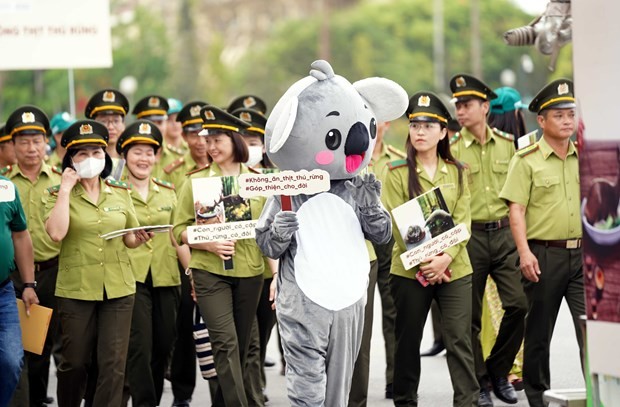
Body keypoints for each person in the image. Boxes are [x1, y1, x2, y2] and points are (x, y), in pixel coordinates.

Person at [44, 119, 152, 407]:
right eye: (82, 153)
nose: (90, 159)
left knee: (113, 365)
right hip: (76, 290)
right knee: (75, 362)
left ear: (105, 156)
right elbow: (56, 233)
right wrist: (66, 189)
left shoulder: (120, 191)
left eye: (96, 152)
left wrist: (138, 238)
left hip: (118, 288)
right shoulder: (57, 195)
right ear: (70, 159)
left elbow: (129, 237)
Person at [383, 91, 477, 406]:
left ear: (443, 132)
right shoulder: (396, 172)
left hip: (456, 267)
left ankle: (467, 401)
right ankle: (405, 400)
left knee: (459, 339)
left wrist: (446, 257)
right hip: (411, 271)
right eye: (414, 125)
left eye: (427, 125)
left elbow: (464, 221)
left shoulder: (459, 171)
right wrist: (428, 262)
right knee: (407, 341)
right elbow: (398, 224)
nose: (419, 132)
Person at [173, 105, 268, 406]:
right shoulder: (196, 181)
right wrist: (208, 242)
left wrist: (277, 274)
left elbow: (269, 228)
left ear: (235, 140)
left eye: (217, 140)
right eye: (207, 140)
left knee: (240, 348)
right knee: (224, 345)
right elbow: (178, 230)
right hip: (209, 272)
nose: (209, 146)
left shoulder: (257, 180)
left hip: (250, 271)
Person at [499, 79, 584, 407]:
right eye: (559, 115)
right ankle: (537, 398)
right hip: (543, 256)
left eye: (571, 114)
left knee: (590, 331)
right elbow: (515, 210)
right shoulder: (527, 159)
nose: (566, 121)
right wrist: (523, 253)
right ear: (542, 120)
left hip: (582, 257)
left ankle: (600, 393)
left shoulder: (583, 155)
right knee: (537, 336)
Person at [449, 74, 527, 407]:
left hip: (505, 235)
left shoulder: (508, 145)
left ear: (485, 107)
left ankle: (498, 370)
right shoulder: (451, 149)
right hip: (471, 237)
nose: (460, 111)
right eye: (457, 105)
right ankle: (481, 383)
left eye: (466, 105)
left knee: (519, 305)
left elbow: (520, 197)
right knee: (471, 318)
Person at [115, 120, 181, 406]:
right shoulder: (114, 191)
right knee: (139, 346)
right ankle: (145, 403)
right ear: (125, 156)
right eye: (137, 152)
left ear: (156, 157)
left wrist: (190, 273)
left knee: (164, 343)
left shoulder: (168, 191)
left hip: (166, 276)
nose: (143, 159)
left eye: (149, 152)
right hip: (132, 276)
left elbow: (179, 235)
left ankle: (150, 398)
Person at [3, 106, 62, 406]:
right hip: (13, 276)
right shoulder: (3, 184)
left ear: (46, 143)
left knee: (50, 346)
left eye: (37, 140)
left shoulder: (62, 180)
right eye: (23, 141)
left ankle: (39, 399)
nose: (31, 148)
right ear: (12, 145)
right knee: (20, 348)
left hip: (55, 271)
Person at [349, 120, 402, 404]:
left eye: (377, 120)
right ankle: (358, 392)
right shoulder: (351, 158)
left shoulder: (398, 159)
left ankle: (395, 379)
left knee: (394, 312)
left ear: (386, 124)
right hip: (363, 242)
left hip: (392, 239)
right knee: (362, 318)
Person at [231, 104, 279, 405]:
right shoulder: (231, 178)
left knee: (263, 330)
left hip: (270, 268)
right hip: (242, 268)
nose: (251, 148)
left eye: (255, 142)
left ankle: (256, 379)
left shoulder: (278, 176)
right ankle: (252, 389)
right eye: (244, 141)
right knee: (245, 336)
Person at [483, 86, 529, 390]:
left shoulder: (518, 150)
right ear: (514, 115)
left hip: (508, 236)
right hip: (502, 236)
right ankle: (508, 368)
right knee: (500, 305)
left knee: (500, 306)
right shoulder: (519, 150)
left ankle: (504, 367)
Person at [166, 101, 209, 407]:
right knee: (185, 328)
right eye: (192, 132)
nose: (199, 140)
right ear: (184, 136)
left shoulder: (226, 168)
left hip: (223, 255)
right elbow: (174, 223)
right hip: (183, 257)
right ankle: (182, 393)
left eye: (205, 133)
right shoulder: (173, 170)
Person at [0, 176, 39, 407]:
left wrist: (28, 285)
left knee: (11, 361)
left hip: (3, 291)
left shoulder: (5, 188)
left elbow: (21, 236)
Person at [162, 101, 210, 188]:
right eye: (194, 134)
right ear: (184, 136)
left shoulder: (222, 165)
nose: (201, 142)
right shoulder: (172, 173)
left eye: (205, 134)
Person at [84, 89, 130, 179]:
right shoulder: (85, 162)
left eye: (116, 121)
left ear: (123, 125)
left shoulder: (133, 160)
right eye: (104, 121)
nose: (111, 127)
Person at [131, 95, 170, 179]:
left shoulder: (178, 158)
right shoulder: (128, 158)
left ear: (166, 123)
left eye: (160, 122)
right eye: (150, 122)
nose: (156, 128)